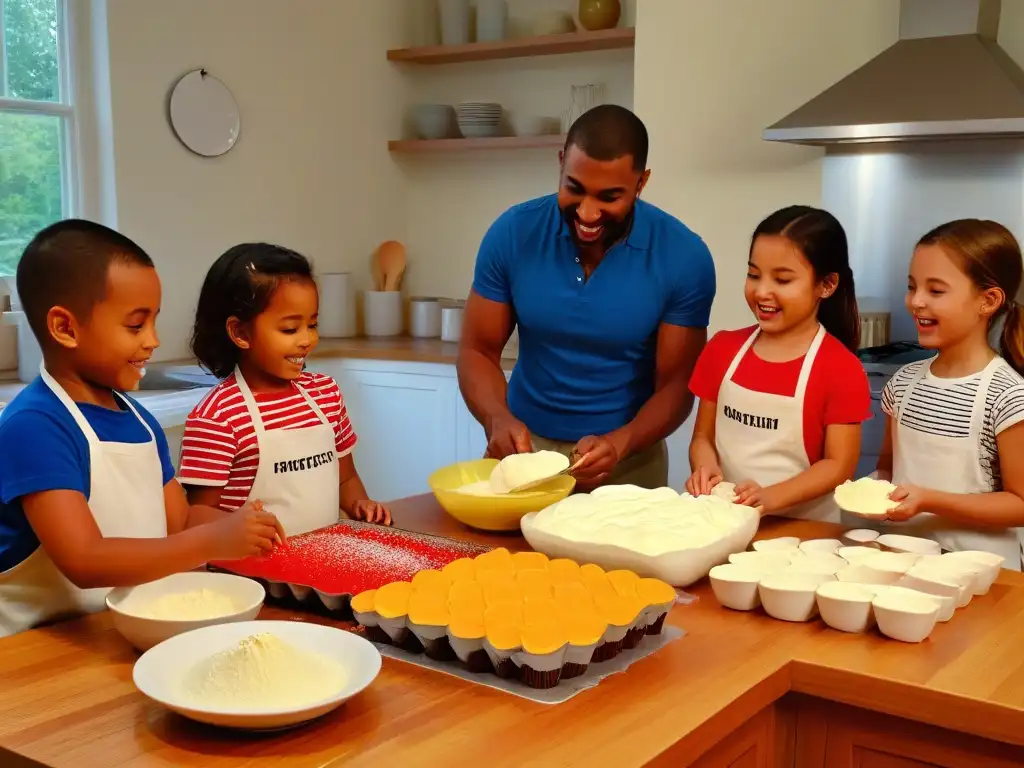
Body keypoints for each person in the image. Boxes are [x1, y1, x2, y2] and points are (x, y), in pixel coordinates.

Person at [0, 220, 284, 637]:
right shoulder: (35, 427)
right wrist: (211, 542)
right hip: (34, 651)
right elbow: (85, 560)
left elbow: (181, 521)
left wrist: (238, 525)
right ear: (65, 328)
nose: (153, 340)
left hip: (115, 634)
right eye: (135, 325)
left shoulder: (137, 420)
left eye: (154, 321)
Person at [458, 105, 716, 490]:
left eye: (609, 197)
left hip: (627, 465)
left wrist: (621, 442)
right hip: (524, 459)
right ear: (561, 162)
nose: (588, 213)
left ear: (641, 183)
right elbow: (477, 351)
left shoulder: (684, 257)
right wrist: (496, 418)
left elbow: (677, 386)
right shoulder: (513, 233)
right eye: (574, 189)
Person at [178, 243, 390, 535]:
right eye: (290, 329)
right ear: (240, 333)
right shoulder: (218, 417)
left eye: (312, 325)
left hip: (320, 564)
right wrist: (241, 527)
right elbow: (197, 518)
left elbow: (345, 479)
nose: (306, 340)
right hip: (251, 575)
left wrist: (361, 504)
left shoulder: (325, 394)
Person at [685, 206, 870, 520]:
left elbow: (838, 465)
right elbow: (703, 437)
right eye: (753, 275)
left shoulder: (841, 369)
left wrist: (770, 498)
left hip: (803, 533)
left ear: (826, 285)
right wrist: (705, 469)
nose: (761, 291)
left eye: (782, 280)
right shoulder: (723, 349)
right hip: (722, 521)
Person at [876, 219, 1024, 568]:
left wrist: (929, 500)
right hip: (900, 563)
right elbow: (886, 471)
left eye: (936, 290)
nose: (916, 301)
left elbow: (1020, 504)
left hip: (982, 577)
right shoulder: (902, 383)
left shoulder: (1008, 396)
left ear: (988, 301)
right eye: (912, 287)